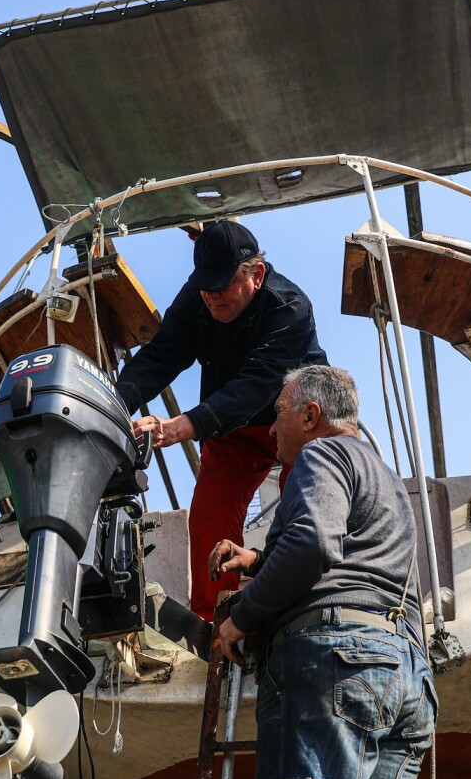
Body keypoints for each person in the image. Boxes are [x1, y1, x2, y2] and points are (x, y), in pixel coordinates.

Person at [208, 365, 436, 779]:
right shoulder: (383, 477)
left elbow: (314, 545)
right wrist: (259, 560)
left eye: (278, 415)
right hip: (403, 678)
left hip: (334, 666)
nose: (270, 430)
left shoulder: (321, 454)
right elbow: (349, 558)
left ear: (310, 415)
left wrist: (239, 621)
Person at [115, 220, 326, 620]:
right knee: (210, 518)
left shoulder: (290, 308)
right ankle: (216, 623)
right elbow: (161, 356)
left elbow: (258, 383)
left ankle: (302, 605)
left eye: (222, 284)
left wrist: (177, 427)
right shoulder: (198, 299)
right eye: (205, 285)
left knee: (303, 506)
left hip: (300, 423)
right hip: (235, 433)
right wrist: (113, 405)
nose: (211, 296)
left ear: (256, 275)